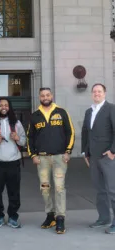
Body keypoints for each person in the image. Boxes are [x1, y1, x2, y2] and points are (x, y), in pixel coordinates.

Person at [27, 87, 75, 234]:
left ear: (52, 96)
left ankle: (60, 218)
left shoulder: (61, 112)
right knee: (45, 188)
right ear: (39, 97)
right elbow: (30, 137)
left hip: (60, 157)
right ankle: (50, 216)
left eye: (48, 95)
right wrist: (33, 155)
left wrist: (68, 151)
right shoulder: (35, 115)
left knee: (59, 188)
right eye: (42, 95)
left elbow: (70, 131)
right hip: (42, 159)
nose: (45, 97)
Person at [0, 98, 26, 228]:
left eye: (6, 105)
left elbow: (24, 141)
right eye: (1, 105)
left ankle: (13, 216)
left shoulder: (17, 124)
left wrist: (18, 138)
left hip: (13, 163)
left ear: (10, 107)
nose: (3, 107)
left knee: (14, 192)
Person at [81, 83, 115, 234]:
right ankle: (104, 218)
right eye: (94, 91)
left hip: (108, 157)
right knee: (100, 190)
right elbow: (85, 133)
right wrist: (85, 153)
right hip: (93, 157)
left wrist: (113, 151)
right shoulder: (89, 111)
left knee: (112, 190)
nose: (97, 94)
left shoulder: (111, 109)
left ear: (105, 93)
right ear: (91, 94)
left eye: (99, 91)